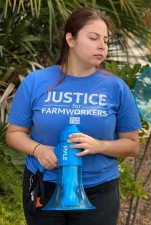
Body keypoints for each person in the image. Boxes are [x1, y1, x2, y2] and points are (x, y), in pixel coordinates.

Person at [6, 7, 141, 225]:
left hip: (98, 191)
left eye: (105, 41)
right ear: (71, 39)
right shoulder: (36, 81)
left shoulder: (116, 87)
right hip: (44, 186)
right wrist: (38, 150)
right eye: (93, 38)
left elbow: (132, 145)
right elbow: (14, 134)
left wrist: (99, 146)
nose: (102, 46)